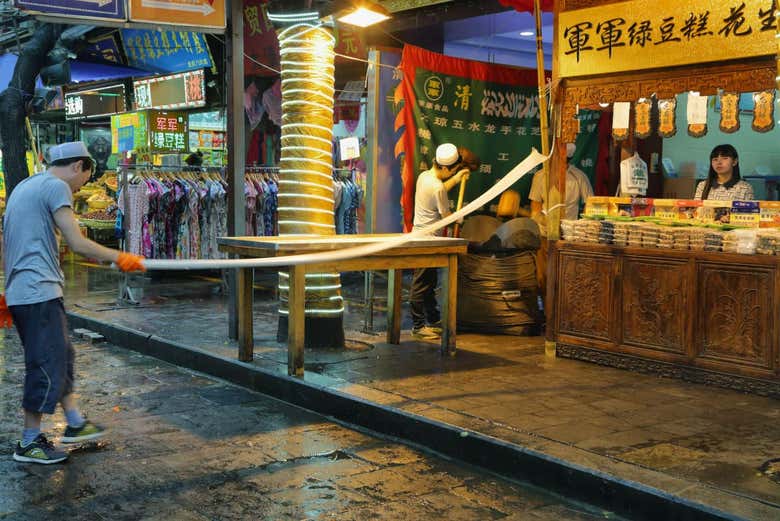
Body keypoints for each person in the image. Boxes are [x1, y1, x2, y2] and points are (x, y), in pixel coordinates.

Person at [0, 141, 145, 464]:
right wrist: (120, 257)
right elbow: (78, 243)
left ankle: (76, 422)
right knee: (46, 363)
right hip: (37, 292)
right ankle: (29, 441)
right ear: (78, 166)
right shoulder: (55, 187)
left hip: (28, 290)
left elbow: (5, 240)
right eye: (86, 178)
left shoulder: (27, 185)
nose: (84, 186)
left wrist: (9, 288)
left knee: (62, 355)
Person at [409, 143, 472, 341]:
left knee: (429, 282)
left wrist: (456, 177)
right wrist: (459, 217)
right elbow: (446, 215)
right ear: (444, 168)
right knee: (421, 284)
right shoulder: (436, 187)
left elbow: (441, 188)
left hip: (421, 237)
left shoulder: (424, 177)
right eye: (452, 170)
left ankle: (433, 320)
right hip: (426, 241)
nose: (453, 172)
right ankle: (418, 327)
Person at [529, 143, 594, 306]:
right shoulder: (540, 176)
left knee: (567, 276)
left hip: (569, 237)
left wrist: (580, 226)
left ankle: (563, 312)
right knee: (543, 276)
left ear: (568, 158)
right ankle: (546, 311)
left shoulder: (579, 177)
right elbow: (535, 207)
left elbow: (590, 206)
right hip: (544, 235)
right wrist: (542, 219)